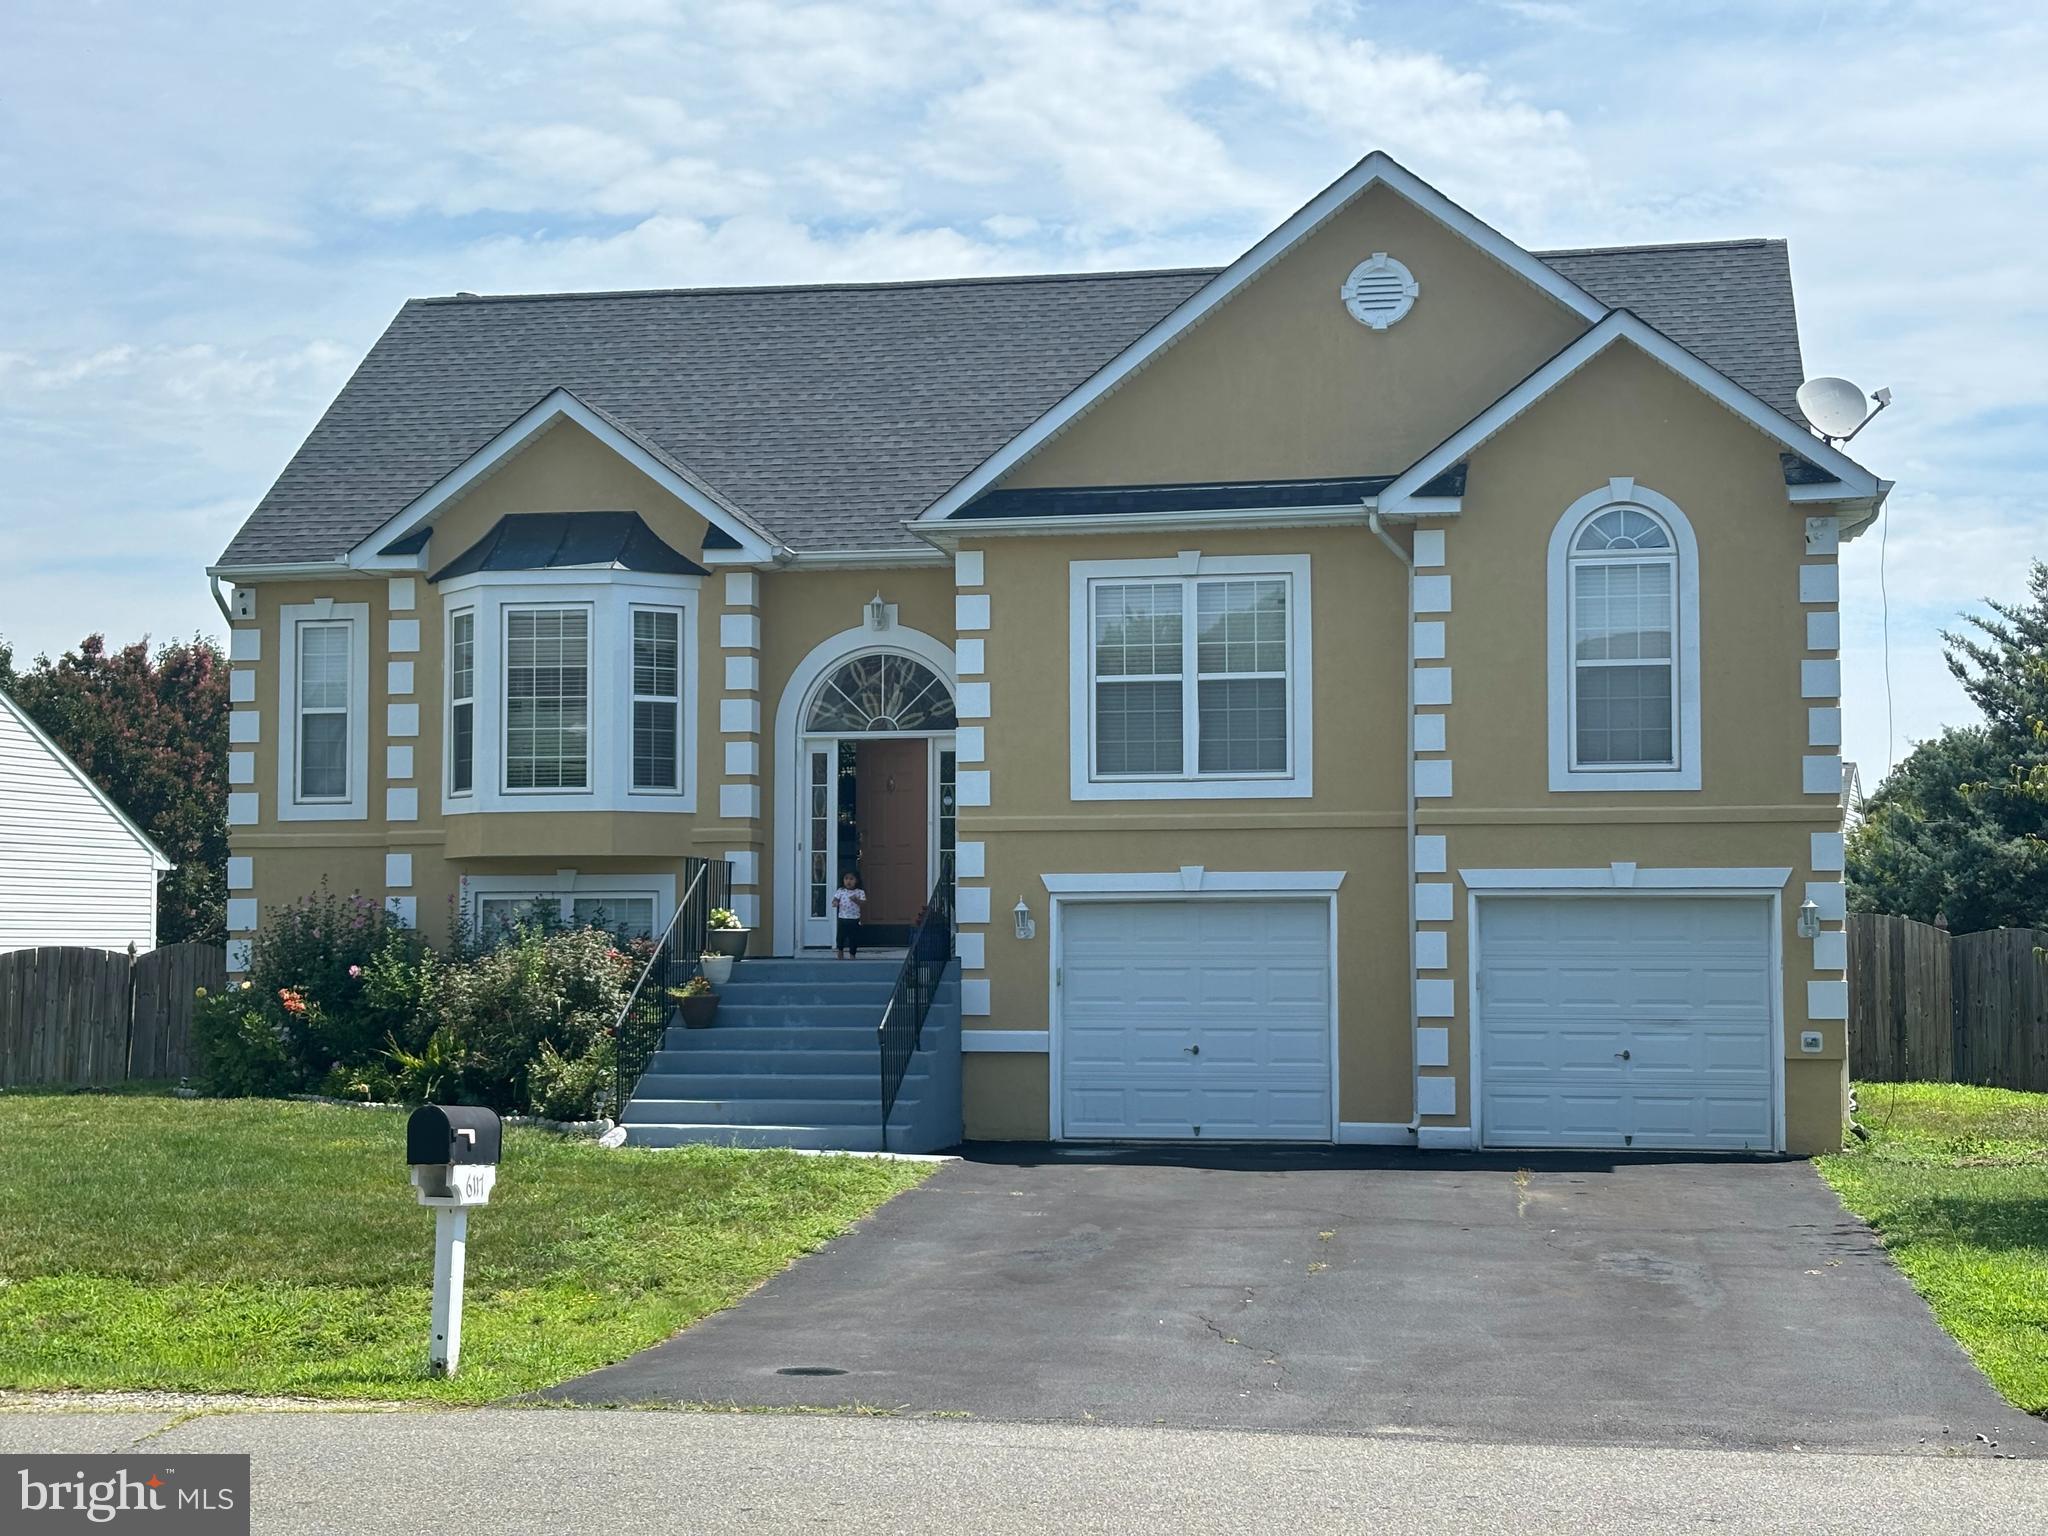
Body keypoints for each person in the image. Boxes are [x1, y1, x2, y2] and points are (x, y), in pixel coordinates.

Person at [830, 870, 866, 959]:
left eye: (851, 879)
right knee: (840, 936)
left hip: (854, 919)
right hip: (843, 918)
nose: (848, 881)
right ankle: (840, 951)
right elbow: (835, 900)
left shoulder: (860, 892)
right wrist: (835, 903)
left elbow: (863, 903)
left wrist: (856, 900)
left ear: (856, 881)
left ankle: (852, 954)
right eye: (846, 879)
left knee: (853, 938)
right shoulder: (841, 891)